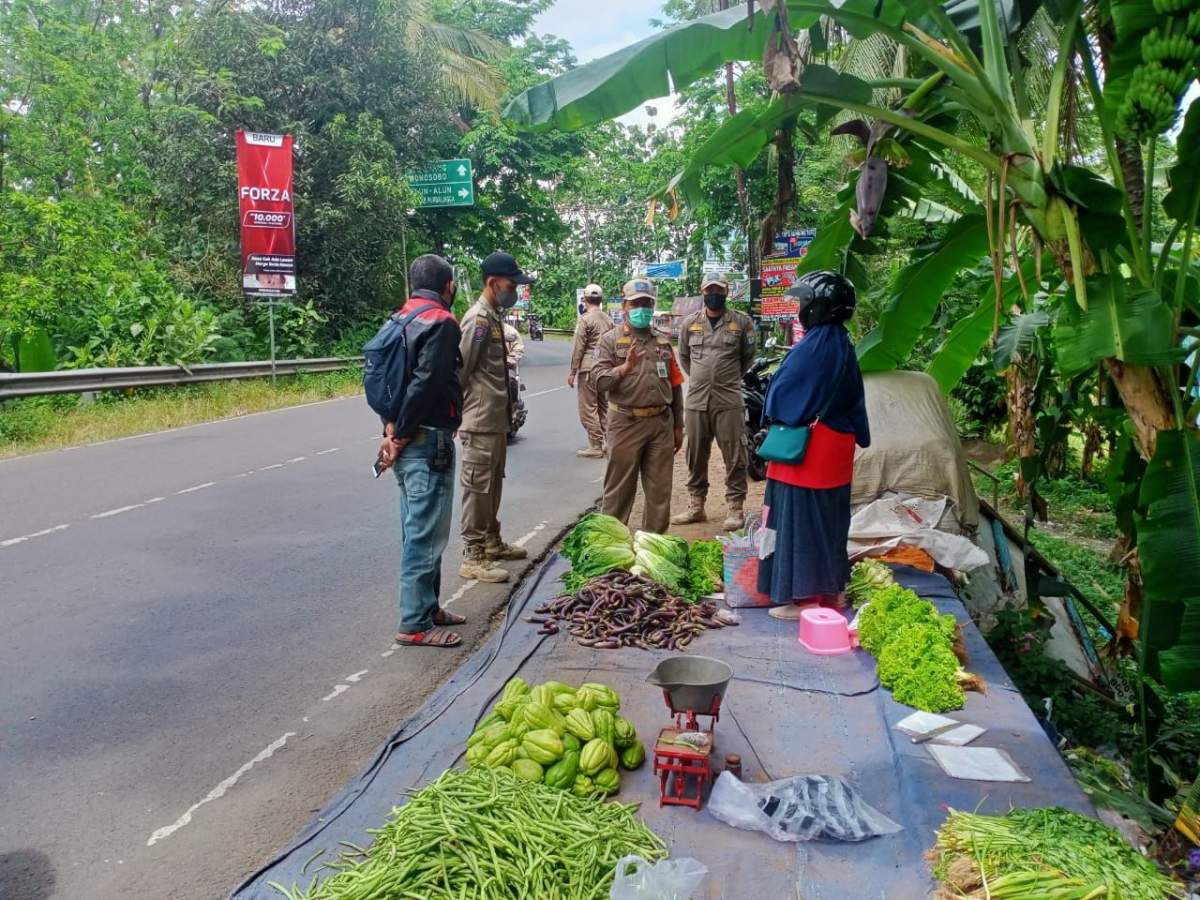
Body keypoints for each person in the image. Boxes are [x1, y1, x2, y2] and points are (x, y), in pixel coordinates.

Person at [755, 271, 870, 619]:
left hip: (809, 454)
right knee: (828, 522)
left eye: (805, 301)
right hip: (834, 448)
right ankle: (827, 591)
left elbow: (783, 394)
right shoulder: (841, 342)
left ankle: (799, 598)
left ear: (820, 307)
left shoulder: (817, 344)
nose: (801, 307)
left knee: (798, 519)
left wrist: (771, 414)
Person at [377, 254, 466, 648]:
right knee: (424, 535)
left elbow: (392, 382)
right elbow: (426, 382)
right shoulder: (442, 322)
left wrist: (391, 428)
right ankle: (415, 623)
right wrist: (402, 434)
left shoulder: (401, 318)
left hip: (405, 436)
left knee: (419, 527)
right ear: (448, 286)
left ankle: (428, 607)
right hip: (426, 441)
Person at [458, 251, 536, 582]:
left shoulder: (493, 319)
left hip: (496, 420)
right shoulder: (477, 321)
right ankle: (473, 555)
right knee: (477, 488)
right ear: (493, 283)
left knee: (492, 485)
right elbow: (461, 371)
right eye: (511, 284)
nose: (515, 290)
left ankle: (491, 541)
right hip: (480, 420)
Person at [591, 278, 684, 533]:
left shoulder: (663, 343)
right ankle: (611, 549)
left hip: (660, 424)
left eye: (647, 303)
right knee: (618, 491)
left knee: (659, 491)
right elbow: (598, 381)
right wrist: (624, 368)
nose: (642, 308)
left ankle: (652, 549)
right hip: (625, 424)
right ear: (625, 306)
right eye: (636, 303)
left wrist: (679, 425)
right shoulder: (609, 340)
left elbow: (675, 385)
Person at [672, 274, 757, 530]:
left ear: (726, 291)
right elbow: (685, 358)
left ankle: (735, 508)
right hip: (697, 401)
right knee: (695, 455)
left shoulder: (742, 323)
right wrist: (702, 378)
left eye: (718, 290)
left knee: (735, 455)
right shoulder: (689, 324)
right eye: (709, 290)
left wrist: (724, 379)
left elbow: (747, 358)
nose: (714, 294)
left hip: (728, 400)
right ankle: (696, 506)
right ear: (702, 292)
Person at [569, 283, 615, 458]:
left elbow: (579, 348)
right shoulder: (608, 320)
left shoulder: (585, 319)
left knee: (588, 409)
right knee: (604, 407)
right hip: (605, 369)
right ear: (601, 299)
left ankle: (595, 445)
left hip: (588, 369)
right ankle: (609, 443)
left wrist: (573, 371)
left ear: (585, 300)